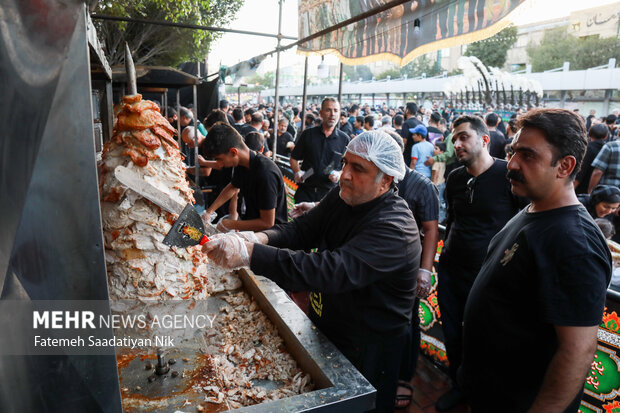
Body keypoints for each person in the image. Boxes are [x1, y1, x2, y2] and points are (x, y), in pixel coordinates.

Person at [204, 131, 421, 413]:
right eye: (345, 163)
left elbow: (329, 270)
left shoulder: (395, 228)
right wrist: (258, 239)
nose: (345, 175)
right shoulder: (344, 197)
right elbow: (302, 230)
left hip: (370, 346)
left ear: (386, 181)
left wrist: (249, 254)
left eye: (358, 168)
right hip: (331, 325)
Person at [461, 108, 612, 412]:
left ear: (565, 166)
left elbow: (577, 351)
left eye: (528, 156)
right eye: (513, 151)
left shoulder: (573, 242)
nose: (512, 164)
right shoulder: (534, 208)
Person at [435, 115, 523, 411]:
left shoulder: (507, 176)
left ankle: (483, 393)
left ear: (485, 139)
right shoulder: (454, 178)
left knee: (485, 337)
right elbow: (453, 220)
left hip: (489, 276)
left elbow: (522, 226)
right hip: (450, 270)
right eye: (454, 138)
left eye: (463, 137)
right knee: (453, 333)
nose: (456, 144)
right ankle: (460, 386)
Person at [200, 123, 287, 232]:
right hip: (252, 227)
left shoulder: (266, 173)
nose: (219, 164)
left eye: (219, 159)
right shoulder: (242, 164)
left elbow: (267, 223)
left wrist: (230, 223)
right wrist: (209, 212)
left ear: (233, 152)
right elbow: (232, 187)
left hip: (271, 236)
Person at [290, 97, 350, 203]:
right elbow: (294, 158)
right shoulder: (308, 134)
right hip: (306, 191)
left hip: (329, 194)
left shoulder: (344, 139)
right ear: (321, 113)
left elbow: (348, 166)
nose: (332, 114)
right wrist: (297, 171)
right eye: (328, 110)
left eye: (336, 110)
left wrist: (339, 174)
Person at [575, 123, 608, 194]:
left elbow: (580, 171)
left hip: (582, 190)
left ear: (589, 134)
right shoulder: (607, 149)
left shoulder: (587, 148)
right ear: (606, 136)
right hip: (600, 189)